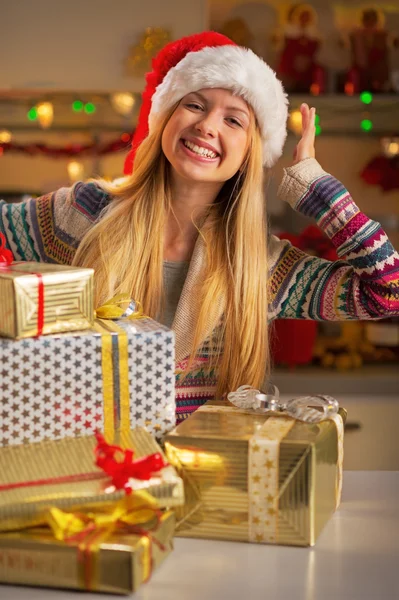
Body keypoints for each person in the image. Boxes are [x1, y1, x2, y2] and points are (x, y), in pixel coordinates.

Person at [1, 31, 398, 423]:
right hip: (81, 471)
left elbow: (387, 293)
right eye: (194, 104)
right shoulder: (83, 212)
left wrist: (315, 188)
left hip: (203, 480)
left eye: (233, 120)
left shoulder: (259, 267)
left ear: (249, 153)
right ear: (167, 119)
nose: (208, 126)